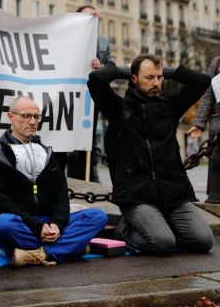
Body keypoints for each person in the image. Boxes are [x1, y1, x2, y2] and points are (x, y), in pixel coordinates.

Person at [88, 54, 214, 255]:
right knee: (162, 243)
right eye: (149, 77)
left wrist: (166, 70)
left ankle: (163, 227)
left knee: (204, 241)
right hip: (137, 197)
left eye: (159, 77)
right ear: (134, 78)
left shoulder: (170, 107)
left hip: (174, 194)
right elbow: (97, 79)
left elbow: (203, 80)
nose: (156, 82)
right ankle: (126, 230)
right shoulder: (118, 109)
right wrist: (123, 69)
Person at [0, 96, 107, 266]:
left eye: (36, 117)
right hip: (23, 225)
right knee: (3, 225)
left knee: (97, 216)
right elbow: (3, 203)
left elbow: (60, 194)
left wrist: (57, 224)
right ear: (10, 116)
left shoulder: (45, 152)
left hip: (49, 223)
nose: (32, 121)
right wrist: (37, 227)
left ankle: (42, 253)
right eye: (26, 116)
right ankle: (69, 248)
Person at [63, 5, 114, 182]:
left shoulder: (102, 41)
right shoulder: (67, 37)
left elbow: (112, 66)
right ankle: (70, 171)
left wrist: (101, 68)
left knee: (88, 134)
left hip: (91, 97)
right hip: (69, 95)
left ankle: (89, 170)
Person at [188, 55, 220, 204]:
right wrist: (199, 123)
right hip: (218, 124)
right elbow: (208, 96)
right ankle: (215, 196)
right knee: (216, 159)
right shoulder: (217, 62)